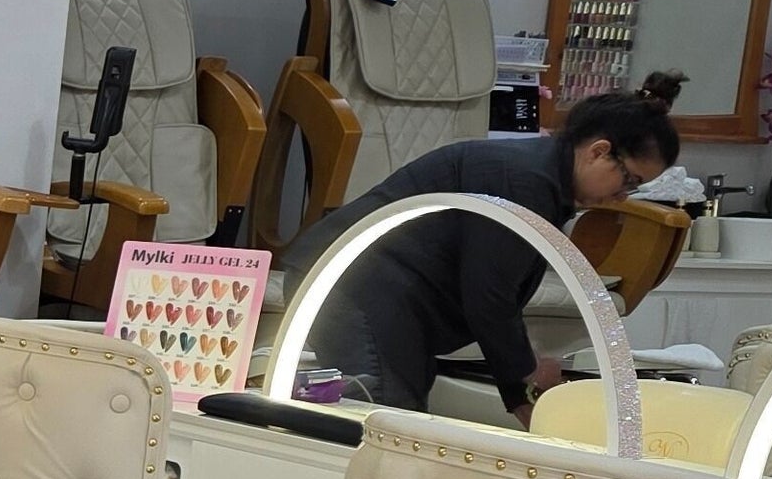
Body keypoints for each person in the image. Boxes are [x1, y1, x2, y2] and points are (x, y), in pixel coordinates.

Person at [282, 86, 683, 415]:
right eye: (628, 179)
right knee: (385, 426)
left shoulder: (542, 178)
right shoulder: (526, 182)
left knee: (398, 424)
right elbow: (488, 295)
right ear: (598, 151)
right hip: (355, 288)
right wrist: (522, 387)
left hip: (380, 294)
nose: (623, 195)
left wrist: (522, 381)